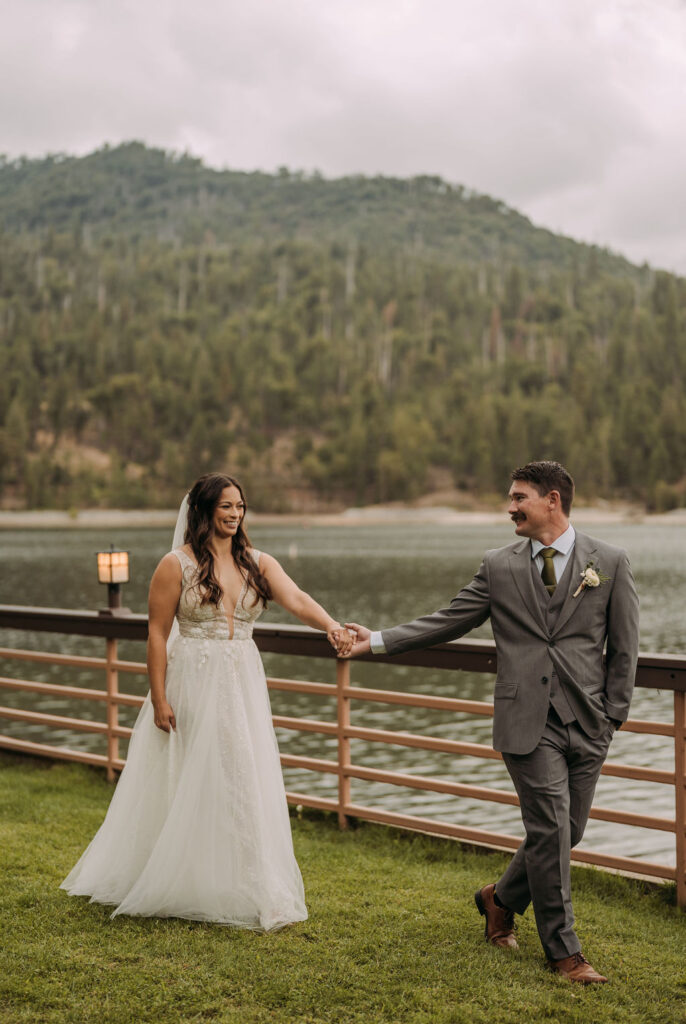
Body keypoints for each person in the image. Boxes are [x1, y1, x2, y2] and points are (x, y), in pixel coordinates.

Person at [344, 461, 638, 984]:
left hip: (590, 722)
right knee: (549, 826)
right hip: (526, 719)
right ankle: (565, 952)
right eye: (509, 498)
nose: (510, 507)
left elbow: (625, 647)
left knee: (565, 832)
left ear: (552, 500)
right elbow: (450, 619)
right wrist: (379, 639)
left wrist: (613, 714)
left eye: (519, 498)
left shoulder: (610, 561)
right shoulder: (497, 566)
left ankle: (498, 899)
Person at [61, 472, 352, 931]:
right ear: (203, 511)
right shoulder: (175, 565)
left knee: (245, 772)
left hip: (242, 680)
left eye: (240, 506)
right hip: (192, 679)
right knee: (197, 776)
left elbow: (296, 598)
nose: (235, 514)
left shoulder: (258, 562)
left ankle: (256, 886)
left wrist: (333, 625)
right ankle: (192, 877)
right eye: (226, 507)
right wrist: (158, 698)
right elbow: (156, 634)